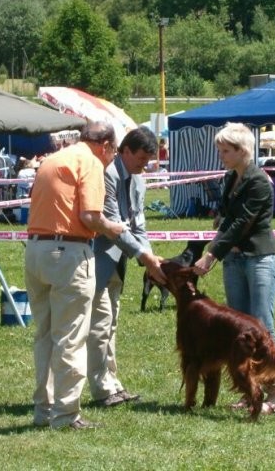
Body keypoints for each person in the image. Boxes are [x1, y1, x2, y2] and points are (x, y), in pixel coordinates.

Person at [25, 122, 126, 431]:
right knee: (70, 337)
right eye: (114, 151)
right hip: (68, 253)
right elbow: (90, 217)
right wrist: (114, 228)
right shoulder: (91, 162)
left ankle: (45, 409)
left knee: (45, 335)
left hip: (35, 251)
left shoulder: (54, 158)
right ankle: (66, 415)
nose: (112, 158)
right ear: (106, 145)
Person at [192, 122, 275, 414]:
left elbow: (243, 222)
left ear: (243, 151)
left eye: (225, 151)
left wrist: (210, 255)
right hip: (234, 260)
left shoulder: (258, 181)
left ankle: (273, 395)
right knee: (239, 332)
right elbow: (229, 218)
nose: (221, 156)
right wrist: (220, 227)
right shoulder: (231, 178)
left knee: (261, 326)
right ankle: (249, 390)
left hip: (258, 259)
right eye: (220, 151)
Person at [87, 126, 166, 407]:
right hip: (98, 259)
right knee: (99, 327)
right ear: (125, 150)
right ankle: (101, 389)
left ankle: (112, 383)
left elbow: (138, 224)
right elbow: (113, 226)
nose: (143, 166)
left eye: (147, 161)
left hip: (120, 263)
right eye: (140, 159)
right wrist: (144, 257)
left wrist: (150, 257)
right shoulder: (105, 176)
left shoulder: (139, 181)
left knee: (111, 326)